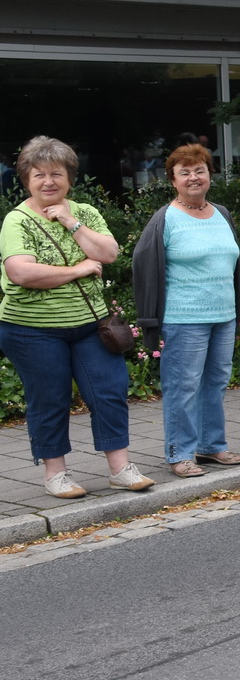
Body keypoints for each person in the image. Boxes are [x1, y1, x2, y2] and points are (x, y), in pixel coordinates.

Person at [1, 137, 154, 499]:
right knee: (50, 398)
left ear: (70, 177)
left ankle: (120, 469)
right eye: (39, 174)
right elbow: (21, 272)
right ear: (26, 179)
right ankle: (56, 474)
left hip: (90, 326)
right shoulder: (16, 220)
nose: (48, 182)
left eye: (57, 173)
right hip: (32, 330)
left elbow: (109, 252)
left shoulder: (84, 212)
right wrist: (79, 269)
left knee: (110, 391)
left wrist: (71, 222)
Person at [132, 143, 240, 478]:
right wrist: (150, 317)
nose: (194, 177)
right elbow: (143, 265)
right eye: (185, 172)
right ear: (173, 180)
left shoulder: (221, 213)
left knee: (216, 381)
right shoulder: (165, 218)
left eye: (200, 170)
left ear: (210, 175)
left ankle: (211, 446)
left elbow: (232, 263)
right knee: (184, 385)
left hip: (222, 314)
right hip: (184, 317)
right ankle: (179, 453)